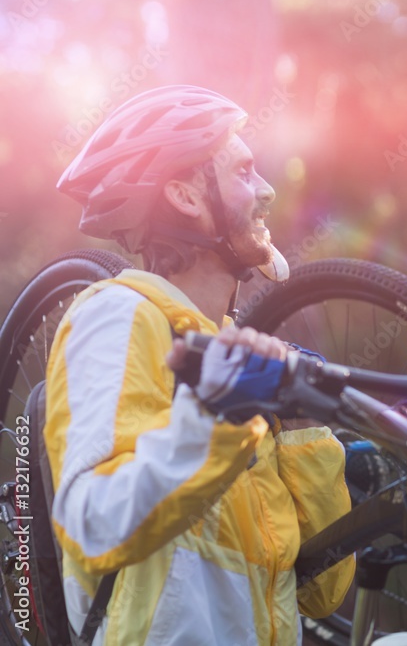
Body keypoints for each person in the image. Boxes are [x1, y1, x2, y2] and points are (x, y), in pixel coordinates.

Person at [47, 85, 354, 645]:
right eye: (243, 172)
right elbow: (92, 526)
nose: (266, 191)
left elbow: (320, 592)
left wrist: (308, 442)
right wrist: (216, 416)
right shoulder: (118, 315)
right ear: (186, 196)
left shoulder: (229, 354)